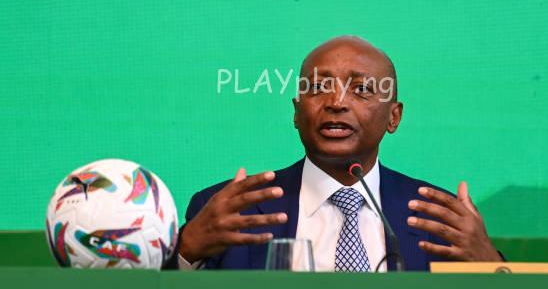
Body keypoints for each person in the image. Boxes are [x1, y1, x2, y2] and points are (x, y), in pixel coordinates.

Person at [169, 36, 503, 272]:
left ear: (393, 117)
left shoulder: (440, 219)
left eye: (361, 90)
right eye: (318, 87)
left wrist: (492, 264)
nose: (337, 102)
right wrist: (186, 250)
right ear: (297, 112)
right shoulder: (231, 210)